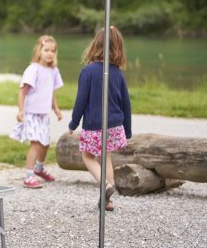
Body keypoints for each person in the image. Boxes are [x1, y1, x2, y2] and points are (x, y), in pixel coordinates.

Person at [68, 26, 132, 211]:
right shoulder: (118, 74)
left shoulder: (88, 72)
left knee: (87, 156)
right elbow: (126, 104)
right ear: (118, 49)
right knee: (106, 158)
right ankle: (107, 201)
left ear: (95, 45)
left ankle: (106, 186)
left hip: (94, 125)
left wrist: (74, 122)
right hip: (115, 125)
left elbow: (81, 101)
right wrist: (127, 129)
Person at [9, 34, 63, 189]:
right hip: (31, 113)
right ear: (39, 50)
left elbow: (51, 91)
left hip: (44, 114)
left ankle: (39, 168)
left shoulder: (53, 71)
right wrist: (20, 110)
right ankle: (29, 176)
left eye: (53, 51)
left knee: (45, 143)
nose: (50, 53)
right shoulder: (33, 69)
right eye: (46, 50)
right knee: (36, 143)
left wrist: (56, 109)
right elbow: (22, 91)